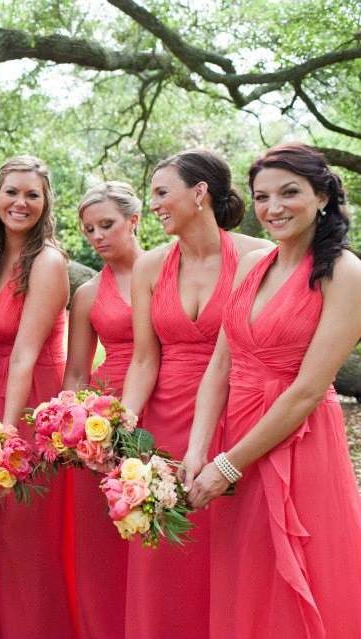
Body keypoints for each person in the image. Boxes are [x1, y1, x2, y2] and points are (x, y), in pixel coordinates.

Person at [183, 143, 361, 638]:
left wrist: (228, 465)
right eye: (263, 197)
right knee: (246, 570)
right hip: (235, 433)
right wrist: (200, 449)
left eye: (289, 193)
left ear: (322, 195)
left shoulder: (345, 274)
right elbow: (219, 366)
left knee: (299, 576)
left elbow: (307, 391)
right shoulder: (250, 264)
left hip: (298, 441)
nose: (273, 208)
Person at [121, 149, 272, 638]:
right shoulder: (148, 267)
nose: (155, 204)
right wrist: (124, 426)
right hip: (163, 424)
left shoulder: (257, 256)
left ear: (200, 192)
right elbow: (145, 358)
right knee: (165, 555)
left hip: (236, 418)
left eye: (163, 192)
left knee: (229, 550)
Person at [0, 155, 75, 638]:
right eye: (13, 192)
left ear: (45, 202)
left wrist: (6, 435)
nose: (21, 202)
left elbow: (25, 354)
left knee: (25, 528)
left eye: (32, 194)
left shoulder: (49, 262)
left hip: (30, 400)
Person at [62, 182, 143, 639]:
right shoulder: (89, 294)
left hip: (172, 404)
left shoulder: (173, 271)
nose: (96, 236)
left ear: (134, 220)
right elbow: (75, 373)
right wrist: (73, 431)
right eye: (89, 229)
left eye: (106, 225)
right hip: (106, 422)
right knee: (109, 538)